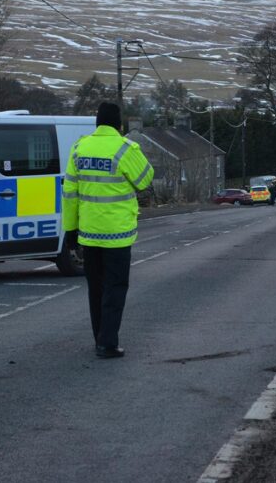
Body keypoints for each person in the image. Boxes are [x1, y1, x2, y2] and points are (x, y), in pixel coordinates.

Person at [62, 101, 154, 358]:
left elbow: (69, 193)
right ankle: (108, 342)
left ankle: (98, 337)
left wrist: (70, 231)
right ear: (119, 125)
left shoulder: (79, 148)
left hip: (89, 233)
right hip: (117, 235)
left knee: (96, 287)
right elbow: (145, 179)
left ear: (97, 123)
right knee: (115, 287)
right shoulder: (125, 149)